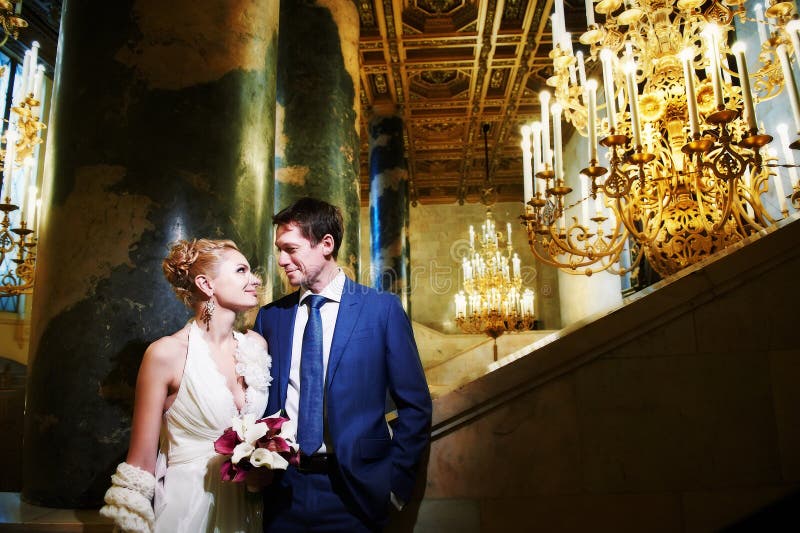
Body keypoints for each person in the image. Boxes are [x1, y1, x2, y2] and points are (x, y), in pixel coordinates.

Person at [253, 197, 432, 531]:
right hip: (282, 488)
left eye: (291, 249)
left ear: (326, 244)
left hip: (357, 492)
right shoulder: (271, 317)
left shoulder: (381, 310)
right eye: (279, 249)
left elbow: (416, 406)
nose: (281, 260)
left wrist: (394, 484)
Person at [100, 238, 271, 533]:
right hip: (186, 510)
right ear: (206, 284)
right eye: (241, 271)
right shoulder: (166, 354)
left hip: (246, 511)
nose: (254, 279)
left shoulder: (255, 346)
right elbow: (141, 461)